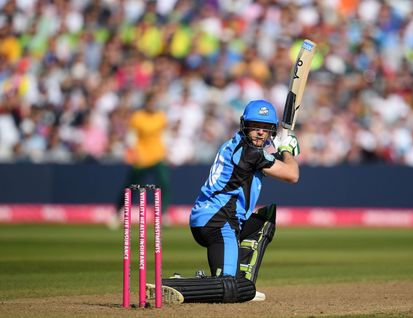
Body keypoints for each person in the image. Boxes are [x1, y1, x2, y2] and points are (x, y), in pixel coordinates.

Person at [147, 99, 300, 303]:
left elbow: (268, 155)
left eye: (266, 128)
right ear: (245, 125)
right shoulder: (250, 152)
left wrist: (279, 147)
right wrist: (288, 149)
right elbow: (292, 175)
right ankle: (173, 285)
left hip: (217, 218)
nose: (261, 132)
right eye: (255, 126)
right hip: (219, 221)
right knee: (230, 287)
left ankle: (241, 280)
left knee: (263, 223)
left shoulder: (239, 144)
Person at [109, 92, 170, 229]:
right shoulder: (138, 117)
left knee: (164, 183)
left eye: (154, 102)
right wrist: (132, 153)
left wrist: (166, 151)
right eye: (150, 102)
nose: (152, 105)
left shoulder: (160, 117)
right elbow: (131, 137)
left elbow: (164, 135)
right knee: (132, 187)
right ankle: (117, 212)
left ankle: (163, 214)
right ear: (146, 103)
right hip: (141, 157)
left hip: (157, 156)